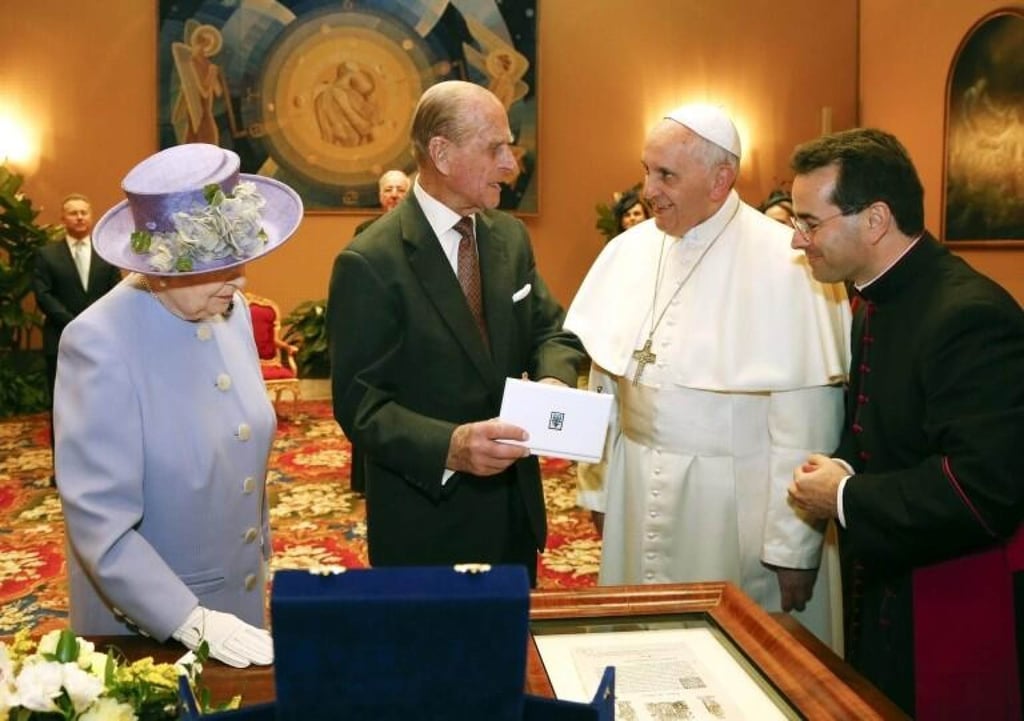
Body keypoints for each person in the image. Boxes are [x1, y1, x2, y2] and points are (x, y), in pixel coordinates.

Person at [563, 103, 851, 646]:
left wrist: (794, 547)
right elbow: (604, 383)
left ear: (721, 179)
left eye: (666, 175)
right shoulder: (628, 252)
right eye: (647, 169)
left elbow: (804, 426)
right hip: (633, 483)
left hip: (731, 506)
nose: (648, 189)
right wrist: (597, 492)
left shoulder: (786, 263)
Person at [787, 128, 1024, 719]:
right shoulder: (874, 300)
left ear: (874, 220)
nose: (798, 239)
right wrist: (843, 463)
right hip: (892, 580)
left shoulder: (969, 316)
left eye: (810, 222)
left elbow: (982, 490)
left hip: (952, 596)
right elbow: (879, 431)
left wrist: (843, 495)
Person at [54, 143, 303, 668]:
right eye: (218, 267)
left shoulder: (225, 311)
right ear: (159, 268)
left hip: (237, 602)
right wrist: (190, 620)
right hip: (149, 628)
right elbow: (101, 525)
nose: (240, 284)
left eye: (241, 262)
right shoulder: (98, 341)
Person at [327, 80, 584, 586]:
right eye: (496, 148)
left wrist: (553, 382)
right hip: (426, 524)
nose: (511, 165)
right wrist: (452, 445)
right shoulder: (370, 261)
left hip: (514, 516)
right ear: (441, 154)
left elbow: (552, 332)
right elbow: (361, 404)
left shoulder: (509, 236)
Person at [33, 193, 122, 482]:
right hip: (60, 342)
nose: (80, 217)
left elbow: (116, 293)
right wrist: (76, 324)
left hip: (102, 343)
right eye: (73, 213)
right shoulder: (47, 255)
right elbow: (43, 295)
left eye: (84, 212)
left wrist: (95, 325)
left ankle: (102, 468)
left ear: (92, 216)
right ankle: (64, 472)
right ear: (63, 219)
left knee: (103, 406)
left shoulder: (105, 252)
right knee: (64, 409)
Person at [353, 169, 411, 236]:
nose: (394, 195)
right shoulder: (364, 230)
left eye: (401, 190)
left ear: (409, 196)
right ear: (380, 196)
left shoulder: (419, 228)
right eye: (388, 190)